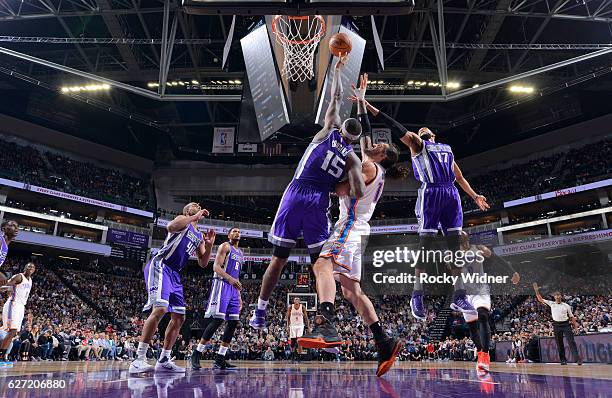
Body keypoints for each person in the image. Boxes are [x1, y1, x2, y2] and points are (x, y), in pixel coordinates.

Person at [300, 74, 406, 377]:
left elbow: (342, 190)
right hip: (360, 228)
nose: (373, 143)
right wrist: (360, 100)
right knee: (351, 291)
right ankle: (384, 341)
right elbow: (365, 138)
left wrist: (322, 178)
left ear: (383, 155)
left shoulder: (369, 166)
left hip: (350, 225)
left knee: (322, 266)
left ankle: (326, 327)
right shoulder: (373, 166)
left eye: (380, 145)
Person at [249, 56, 366, 332]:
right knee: (321, 266)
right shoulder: (353, 159)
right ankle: (325, 322)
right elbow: (359, 191)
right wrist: (342, 185)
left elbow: (335, 98)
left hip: (295, 193)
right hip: (319, 201)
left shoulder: (327, 130)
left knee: (278, 259)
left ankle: (260, 313)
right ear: (355, 139)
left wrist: (337, 70)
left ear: (342, 127)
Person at [355, 99, 490, 320]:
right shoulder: (419, 144)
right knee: (426, 245)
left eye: (425, 130)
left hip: (451, 194)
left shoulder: (447, 149)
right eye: (419, 130)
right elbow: (395, 126)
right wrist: (368, 106)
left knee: (455, 247)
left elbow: (459, 176)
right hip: (431, 193)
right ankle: (417, 294)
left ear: (434, 135)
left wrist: (474, 195)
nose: (422, 130)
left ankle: (459, 294)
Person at [129, 202, 216, 374]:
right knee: (160, 308)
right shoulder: (182, 219)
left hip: (175, 274)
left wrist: (210, 245)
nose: (197, 206)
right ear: (186, 210)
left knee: (179, 318)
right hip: (162, 264)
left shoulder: (198, 235)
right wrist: (195, 217)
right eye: (193, 205)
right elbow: (171, 226)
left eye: (198, 206)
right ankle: (139, 359)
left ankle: (163, 359)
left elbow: (203, 262)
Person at [457, 231, 520, 372]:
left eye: (462, 233)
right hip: (466, 292)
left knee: (483, 315)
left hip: (480, 288)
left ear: (467, 237)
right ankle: (480, 352)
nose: (460, 234)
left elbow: (497, 259)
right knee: (472, 326)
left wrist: (512, 271)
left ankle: (485, 355)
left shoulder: (479, 248)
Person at [191, 227, 243, 370]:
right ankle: (196, 353)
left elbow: (236, 276)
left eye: (239, 232)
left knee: (233, 322)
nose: (237, 233)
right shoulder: (225, 246)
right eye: (234, 231)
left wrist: (238, 296)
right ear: (228, 235)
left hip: (233, 289)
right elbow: (216, 267)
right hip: (222, 284)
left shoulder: (240, 253)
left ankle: (220, 358)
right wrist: (230, 279)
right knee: (218, 319)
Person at [533, 283, 582, 365]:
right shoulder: (551, 303)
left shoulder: (566, 306)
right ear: (554, 297)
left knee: (571, 342)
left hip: (566, 324)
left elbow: (572, 317)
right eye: (556, 295)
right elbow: (540, 299)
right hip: (556, 325)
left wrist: (576, 328)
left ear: (561, 296)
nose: (557, 296)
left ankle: (577, 359)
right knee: (559, 343)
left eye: (559, 295)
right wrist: (536, 291)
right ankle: (563, 360)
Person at [0, 262, 35, 364]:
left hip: (21, 306)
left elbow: (17, 291)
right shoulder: (19, 276)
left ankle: (2, 355)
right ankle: (1, 356)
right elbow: (8, 284)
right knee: (12, 330)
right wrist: (4, 286)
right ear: (25, 267)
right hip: (13, 304)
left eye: (33, 267)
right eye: (29, 266)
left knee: (13, 332)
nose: (31, 268)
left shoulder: (30, 280)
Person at [286, 297, 309, 361]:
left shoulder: (302, 307)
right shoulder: (290, 307)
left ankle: (299, 356)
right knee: (293, 342)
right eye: (295, 299)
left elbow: (306, 318)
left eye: (297, 299)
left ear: (299, 301)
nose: (296, 300)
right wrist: (287, 326)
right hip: (292, 325)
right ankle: (293, 355)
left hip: (300, 325)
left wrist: (308, 327)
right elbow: (288, 317)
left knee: (299, 341)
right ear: (293, 301)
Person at [0, 220, 19, 286]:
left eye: (17, 226)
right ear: (3, 229)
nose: (16, 228)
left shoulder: (5, 245)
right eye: (12, 225)